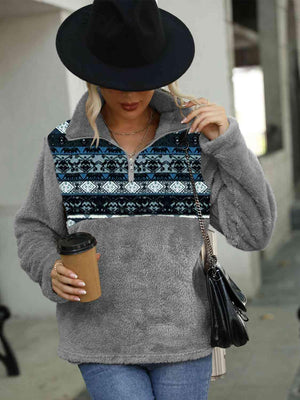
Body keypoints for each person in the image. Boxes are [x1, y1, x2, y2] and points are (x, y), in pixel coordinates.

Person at [13, 1, 278, 399]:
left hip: (183, 339)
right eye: (116, 78)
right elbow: (33, 227)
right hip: (99, 339)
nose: (131, 92)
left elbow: (254, 232)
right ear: (93, 74)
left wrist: (230, 143)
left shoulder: (195, 140)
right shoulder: (64, 144)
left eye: (144, 77)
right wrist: (49, 267)